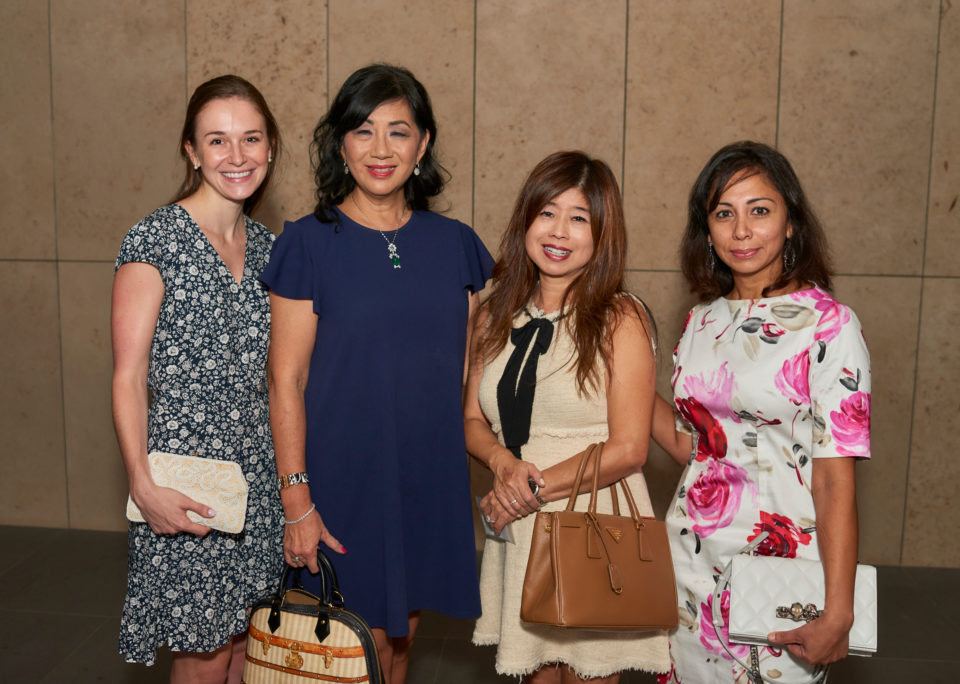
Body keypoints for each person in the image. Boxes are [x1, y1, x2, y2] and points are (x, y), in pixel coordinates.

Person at [261, 63, 493, 684]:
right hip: (341, 477)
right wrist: (296, 498)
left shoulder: (457, 244)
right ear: (341, 144)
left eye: (399, 131)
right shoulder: (307, 244)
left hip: (427, 473)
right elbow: (285, 379)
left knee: (399, 642)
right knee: (338, 648)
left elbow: (477, 369)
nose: (381, 148)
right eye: (363, 131)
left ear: (422, 145)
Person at [651, 140, 871, 683]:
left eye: (760, 210)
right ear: (707, 230)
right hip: (689, 564)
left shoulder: (830, 326)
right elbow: (695, 448)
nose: (741, 230)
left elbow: (834, 481)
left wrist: (838, 610)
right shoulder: (701, 322)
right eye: (724, 213)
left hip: (781, 572)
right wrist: (621, 382)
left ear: (791, 222)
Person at [466, 151, 671, 683]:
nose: (559, 231)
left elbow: (630, 448)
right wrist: (502, 464)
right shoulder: (494, 314)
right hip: (521, 520)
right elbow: (471, 420)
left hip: (592, 521)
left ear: (602, 234)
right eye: (547, 213)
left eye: (579, 218)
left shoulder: (618, 316)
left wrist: (522, 491)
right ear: (526, 220)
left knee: (590, 675)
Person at [112, 75, 283, 682]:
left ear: (270, 148)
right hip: (187, 480)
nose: (236, 156)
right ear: (191, 151)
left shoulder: (271, 250)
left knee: (246, 652)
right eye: (217, 140)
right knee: (204, 660)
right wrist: (142, 483)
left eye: (251, 139)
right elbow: (128, 377)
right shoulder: (154, 240)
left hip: (257, 476)